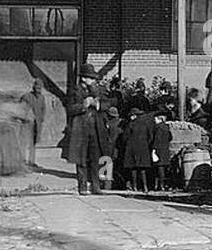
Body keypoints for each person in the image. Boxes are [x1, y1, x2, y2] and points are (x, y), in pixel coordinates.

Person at [63, 62, 112, 194]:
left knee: (95, 158)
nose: (93, 80)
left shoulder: (97, 90)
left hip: (95, 130)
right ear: (83, 78)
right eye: (91, 78)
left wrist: (97, 104)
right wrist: (83, 106)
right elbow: (69, 109)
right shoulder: (74, 91)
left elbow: (108, 104)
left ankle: (96, 186)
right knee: (81, 159)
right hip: (81, 129)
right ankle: (83, 186)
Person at [122, 106, 154, 192]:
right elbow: (150, 137)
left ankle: (135, 186)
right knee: (143, 169)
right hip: (143, 149)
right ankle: (145, 186)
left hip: (132, 149)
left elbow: (125, 137)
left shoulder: (130, 125)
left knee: (134, 169)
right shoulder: (145, 125)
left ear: (134, 115)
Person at [151, 110, 173, 191]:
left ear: (159, 119)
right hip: (165, 149)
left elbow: (157, 140)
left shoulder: (158, 128)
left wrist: (154, 149)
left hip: (159, 150)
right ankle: (163, 185)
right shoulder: (166, 127)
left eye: (155, 119)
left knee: (159, 169)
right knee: (163, 168)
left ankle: (159, 185)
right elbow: (171, 138)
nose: (154, 120)